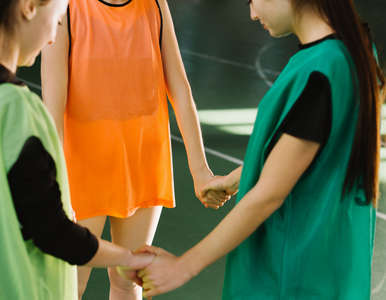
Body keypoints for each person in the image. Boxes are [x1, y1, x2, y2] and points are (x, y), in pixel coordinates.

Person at [136, 0, 385, 299]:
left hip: (291, 275)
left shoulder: (320, 73)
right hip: (330, 266)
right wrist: (234, 179)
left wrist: (182, 266)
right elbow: (305, 150)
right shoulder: (355, 49)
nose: (252, 14)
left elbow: (268, 195)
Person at [0, 1, 154, 299]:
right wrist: (129, 258)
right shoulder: (14, 110)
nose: (53, 36)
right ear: (28, 7)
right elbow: (53, 232)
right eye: (60, 18)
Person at [41, 0, 228, 298]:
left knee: (128, 280)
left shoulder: (154, 4)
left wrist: (201, 172)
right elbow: (53, 106)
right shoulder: (66, 8)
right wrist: (54, 180)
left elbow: (180, 88)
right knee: (69, 284)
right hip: (83, 166)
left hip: (143, 158)